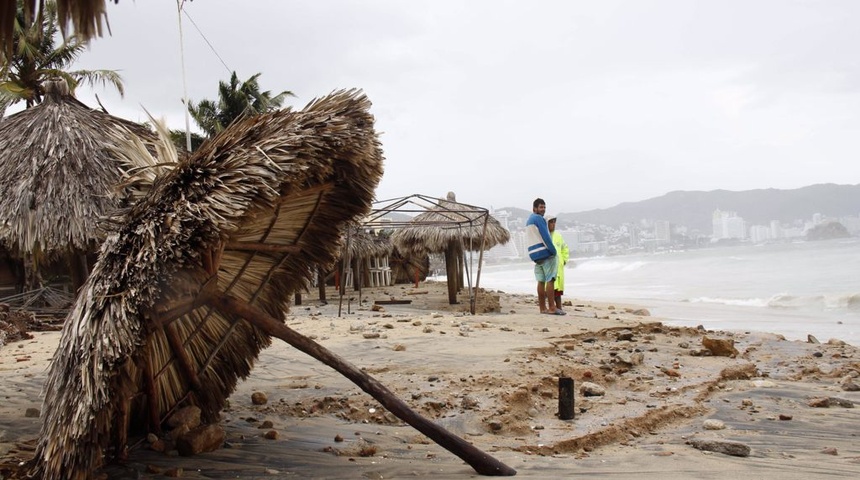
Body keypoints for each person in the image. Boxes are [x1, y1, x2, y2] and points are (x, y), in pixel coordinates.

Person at [525, 198, 565, 315]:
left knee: (541, 281)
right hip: (544, 253)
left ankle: (542, 308)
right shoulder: (539, 219)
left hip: (535, 255)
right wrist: (553, 251)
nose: (543, 210)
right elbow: (545, 236)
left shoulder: (528, 221)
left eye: (544, 207)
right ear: (534, 208)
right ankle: (552, 307)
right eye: (541, 207)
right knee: (550, 280)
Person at [545, 214, 570, 313]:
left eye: (554, 221)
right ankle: (552, 307)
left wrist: (564, 260)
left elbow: (565, 248)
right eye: (551, 222)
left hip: (559, 266)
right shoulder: (544, 235)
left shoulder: (558, 236)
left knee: (558, 290)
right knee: (550, 287)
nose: (553, 224)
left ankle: (559, 308)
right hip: (549, 266)